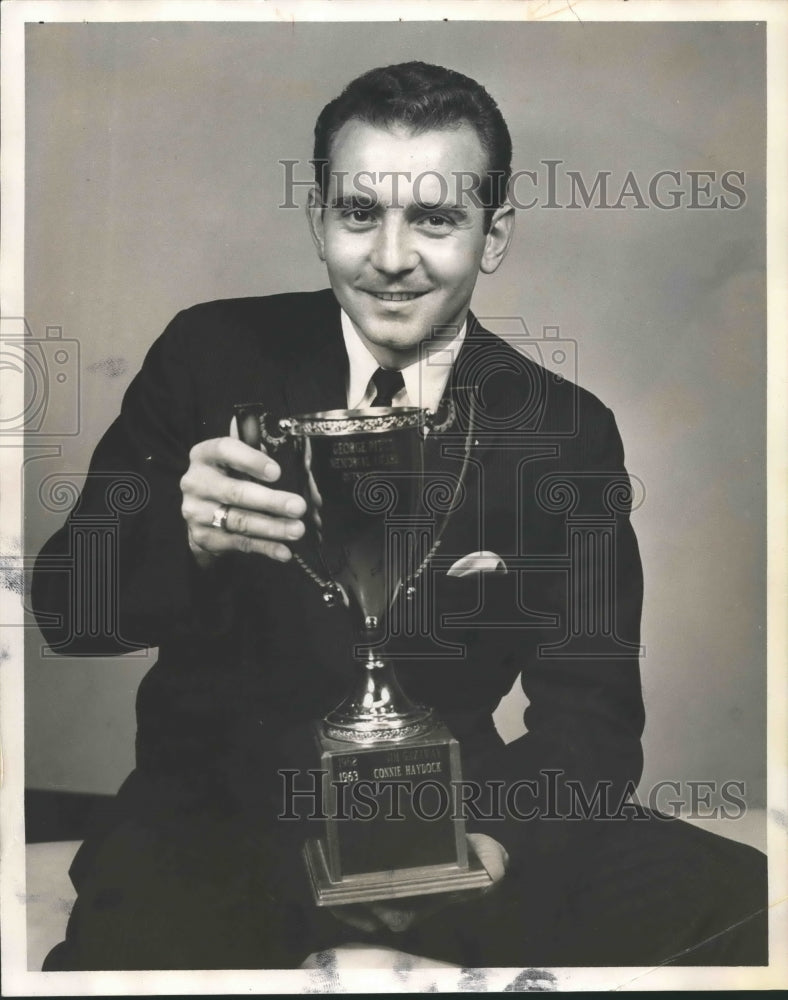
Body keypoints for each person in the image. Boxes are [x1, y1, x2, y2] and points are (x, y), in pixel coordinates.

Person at [33, 61, 767, 971]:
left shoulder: (565, 429)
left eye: (434, 217)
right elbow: (67, 613)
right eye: (358, 213)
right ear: (317, 219)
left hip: (452, 822)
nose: (389, 257)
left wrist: (488, 852)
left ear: (493, 234)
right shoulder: (208, 352)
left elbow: (595, 714)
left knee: (744, 906)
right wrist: (182, 542)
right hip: (216, 819)